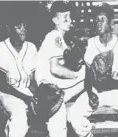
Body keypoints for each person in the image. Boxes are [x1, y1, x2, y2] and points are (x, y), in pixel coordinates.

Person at [68, 3, 118, 137]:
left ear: (111, 23)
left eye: (102, 19)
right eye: (96, 20)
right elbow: (88, 77)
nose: (98, 23)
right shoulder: (90, 44)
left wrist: (110, 79)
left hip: (116, 92)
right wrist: (90, 93)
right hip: (95, 92)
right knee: (74, 114)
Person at [35, 1, 85, 137]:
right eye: (65, 18)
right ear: (55, 20)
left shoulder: (59, 38)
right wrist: (76, 74)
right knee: (87, 75)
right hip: (49, 89)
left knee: (59, 126)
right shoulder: (54, 36)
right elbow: (55, 69)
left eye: (70, 17)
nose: (69, 21)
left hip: (53, 88)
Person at [0, 17, 37, 137]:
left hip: (26, 91)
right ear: (9, 29)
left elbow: (33, 79)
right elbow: (2, 85)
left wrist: (35, 95)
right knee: (19, 114)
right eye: (18, 26)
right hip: (7, 93)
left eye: (25, 26)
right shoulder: (1, 47)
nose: (23, 29)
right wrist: (27, 98)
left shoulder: (31, 47)